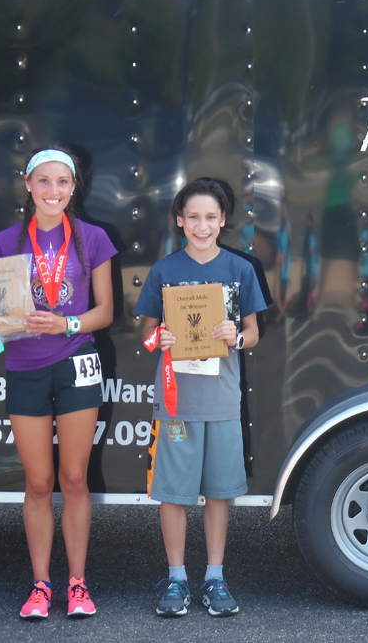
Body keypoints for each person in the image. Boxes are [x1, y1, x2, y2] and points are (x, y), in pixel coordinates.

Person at [0, 147, 117, 619]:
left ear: (75, 189)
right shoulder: (6, 242)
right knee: (37, 482)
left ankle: (77, 584)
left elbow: (106, 312)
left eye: (63, 183)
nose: (54, 191)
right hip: (25, 367)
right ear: (28, 185)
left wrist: (67, 325)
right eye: (44, 181)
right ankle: (40, 586)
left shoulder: (92, 237)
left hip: (76, 363)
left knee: (74, 479)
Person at [136, 178, 266, 617]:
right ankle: (176, 580)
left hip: (223, 400)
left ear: (223, 220)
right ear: (180, 220)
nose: (202, 225)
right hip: (177, 401)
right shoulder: (164, 271)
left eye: (211, 217)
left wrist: (237, 336)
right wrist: (161, 336)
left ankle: (215, 577)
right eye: (193, 217)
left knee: (218, 493)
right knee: (173, 494)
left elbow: (254, 332)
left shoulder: (240, 270)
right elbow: (146, 335)